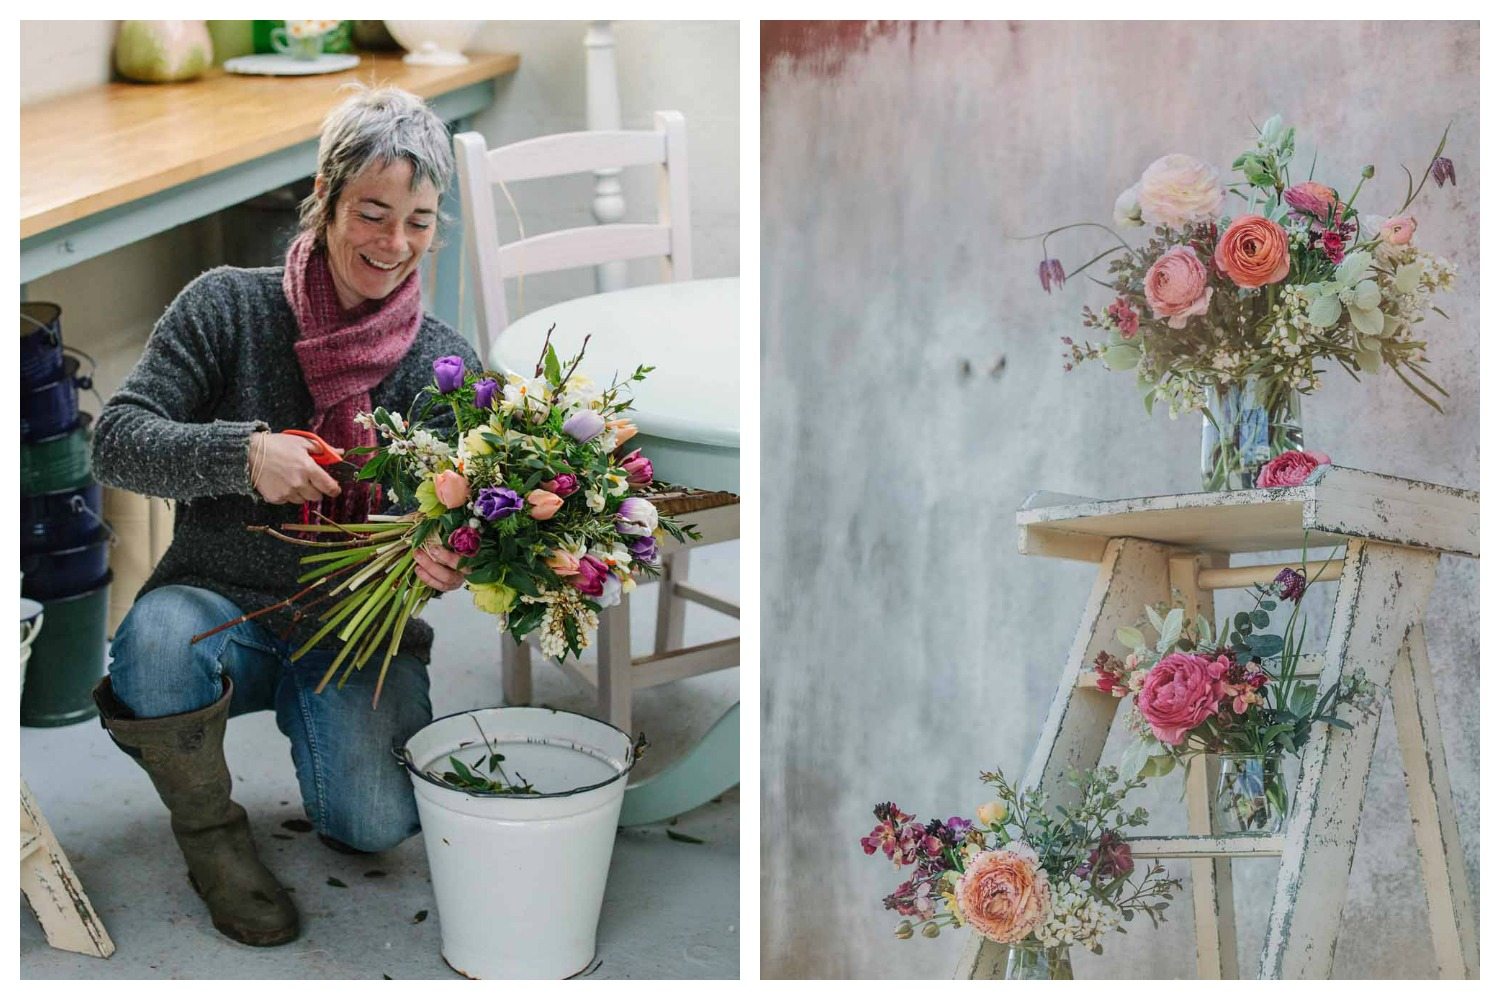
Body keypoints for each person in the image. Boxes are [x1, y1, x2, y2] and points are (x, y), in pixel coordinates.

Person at [90, 85, 482, 947]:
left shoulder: (443, 364)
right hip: (220, 605)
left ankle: (326, 731)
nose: (394, 244)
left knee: (375, 826)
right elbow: (115, 442)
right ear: (326, 194)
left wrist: (450, 560)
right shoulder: (228, 306)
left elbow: (466, 525)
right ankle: (209, 837)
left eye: (418, 220)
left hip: (352, 632)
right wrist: (243, 455)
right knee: (154, 648)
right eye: (372, 213)